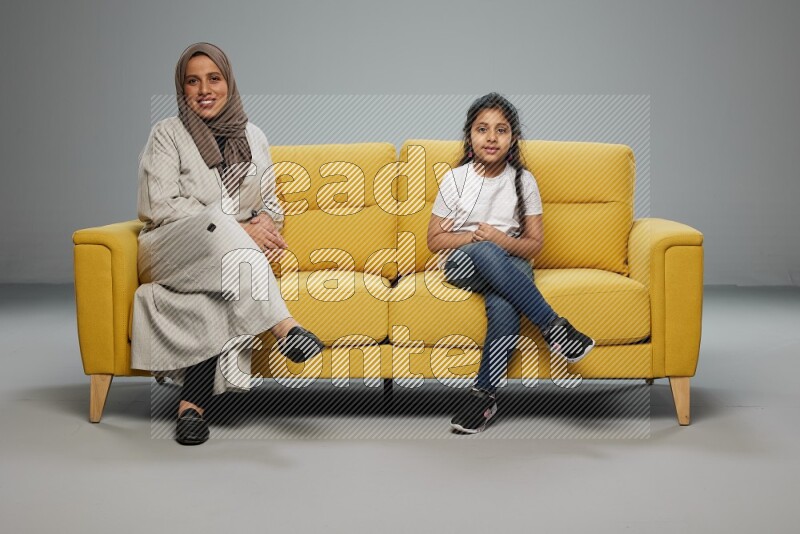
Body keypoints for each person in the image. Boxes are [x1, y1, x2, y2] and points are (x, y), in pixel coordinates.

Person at [131, 43, 323, 445]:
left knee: (218, 291)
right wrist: (238, 226)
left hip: (225, 262)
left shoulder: (253, 136)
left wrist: (264, 220)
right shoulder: (167, 134)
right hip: (169, 249)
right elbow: (160, 205)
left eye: (214, 79)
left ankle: (192, 407)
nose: (204, 89)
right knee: (221, 224)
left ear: (228, 83)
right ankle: (282, 325)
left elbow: (270, 203)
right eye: (192, 81)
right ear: (182, 89)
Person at [427, 93, 595, 434]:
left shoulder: (523, 181)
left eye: (501, 130)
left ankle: (483, 395)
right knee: (489, 253)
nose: (491, 137)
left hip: (511, 263)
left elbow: (533, 246)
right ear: (470, 136)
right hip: (463, 263)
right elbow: (434, 240)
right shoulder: (456, 180)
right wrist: (479, 239)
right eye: (482, 129)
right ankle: (553, 327)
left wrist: (501, 241)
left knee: (504, 304)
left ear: (513, 138)